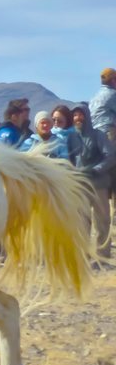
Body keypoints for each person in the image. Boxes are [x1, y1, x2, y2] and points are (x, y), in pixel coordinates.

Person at [71, 104, 116, 259]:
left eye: (80, 114)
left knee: (102, 220)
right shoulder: (72, 137)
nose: (78, 118)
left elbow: (110, 156)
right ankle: (83, 254)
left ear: (87, 116)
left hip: (99, 184)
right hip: (80, 184)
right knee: (82, 221)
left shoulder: (98, 135)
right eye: (75, 115)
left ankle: (102, 254)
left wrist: (96, 169)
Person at [89, 68, 116, 143]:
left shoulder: (94, 97)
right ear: (113, 80)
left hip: (94, 132)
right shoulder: (113, 94)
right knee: (111, 154)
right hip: (108, 132)